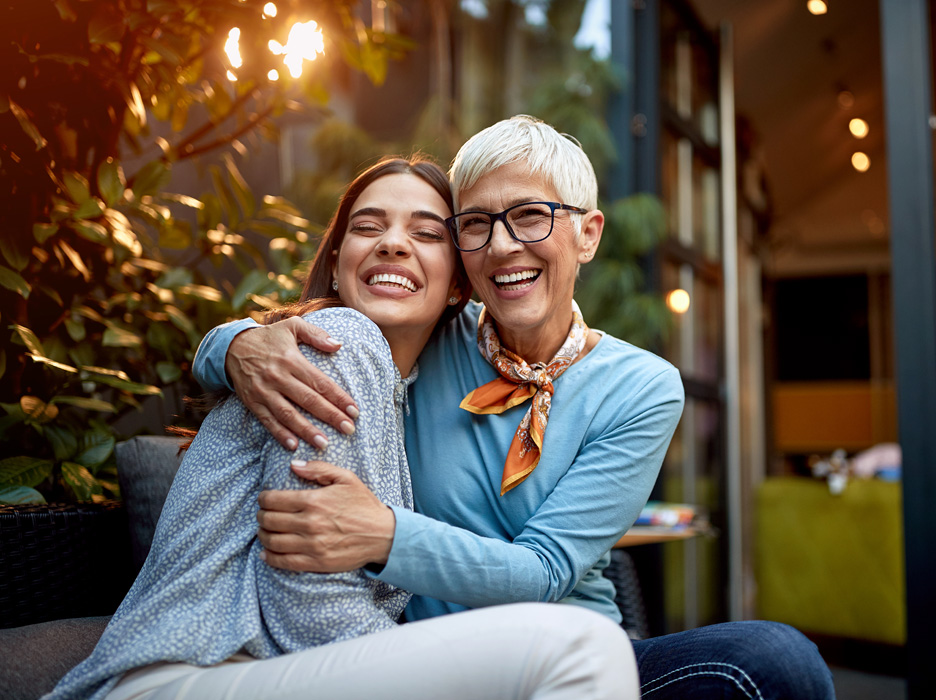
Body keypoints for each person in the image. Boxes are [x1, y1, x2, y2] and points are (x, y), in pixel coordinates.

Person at [195, 116, 836, 698]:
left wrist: (383, 534)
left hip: (578, 658)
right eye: (475, 224)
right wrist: (233, 345)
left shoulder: (643, 387)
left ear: (587, 234)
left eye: (530, 215)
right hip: (427, 661)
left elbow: (547, 569)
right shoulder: (427, 335)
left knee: (774, 660)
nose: (502, 246)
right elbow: (325, 330)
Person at [47, 156, 640, 700]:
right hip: (193, 675)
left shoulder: (402, 384)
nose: (393, 244)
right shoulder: (341, 343)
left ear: (460, 284)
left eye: (428, 233)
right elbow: (309, 607)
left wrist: (226, 342)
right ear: (335, 259)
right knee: (584, 649)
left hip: (267, 671)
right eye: (367, 226)